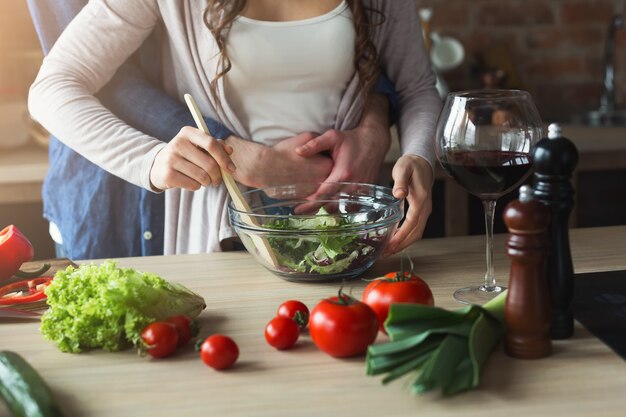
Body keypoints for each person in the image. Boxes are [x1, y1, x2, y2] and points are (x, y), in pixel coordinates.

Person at [29, 0, 441, 256]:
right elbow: (53, 88)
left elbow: (417, 86)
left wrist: (419, 154)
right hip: (220, 231)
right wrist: (149, 160)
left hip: (340, 229)